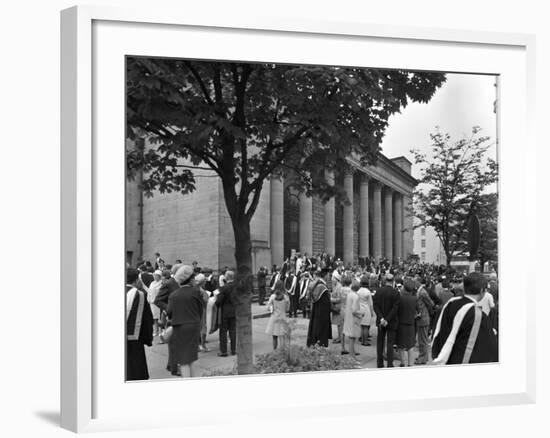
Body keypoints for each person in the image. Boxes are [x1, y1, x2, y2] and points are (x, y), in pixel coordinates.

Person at [432, 272, 498, 364]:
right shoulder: (479, 316)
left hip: (444, 358)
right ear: (482, 290)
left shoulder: (449, 304)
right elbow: (489, 349)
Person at [166, 265, 204, 378]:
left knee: (183, 359)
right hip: (194, 325)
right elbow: (200, 310)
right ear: (191, 279)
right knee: (191, 357)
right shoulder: (196, 292)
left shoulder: (173, 295)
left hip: (180, 327)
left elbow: (169, 312)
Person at [126, 268, 153, 380]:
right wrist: (148, 338)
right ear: (137, 280)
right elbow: (146, 319)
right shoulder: (139, 294)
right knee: (135, 371)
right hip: (134, 339)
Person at [373, 273, 400, 368]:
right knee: (390, 343)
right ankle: (389, 363)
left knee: (380, 342)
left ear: (385, 281)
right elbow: (395, 308)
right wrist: (387, 319)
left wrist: (381, 318)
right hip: (391, 321)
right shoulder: (396, 293)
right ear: (393, 281)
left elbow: (375, 306)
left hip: (381, 320)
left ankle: (379, 363)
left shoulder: (378, 291)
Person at [306, 269, 332, 347]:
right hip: (322, 313)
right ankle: (321, 345)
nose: (329, 277)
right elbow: (326, 302)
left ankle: (315, 343)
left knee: (316, 327)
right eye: (328, 275)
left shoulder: (317, 285)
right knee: (322, 330)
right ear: (325, 275)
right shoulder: (322, 287)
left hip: (316, 311)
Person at [396, 279, 418, 367]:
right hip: (411, 323)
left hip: (401, 323)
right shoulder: (414, 298)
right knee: (411, 345)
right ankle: (410, 363)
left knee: (401, 344)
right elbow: (417, 311)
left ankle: (402, 362)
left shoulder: (400, 297)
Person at [216, 270, 236, 357]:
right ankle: (233, 350)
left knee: (223, 332)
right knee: (233, 331)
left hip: (225, 312)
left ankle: (223, 351)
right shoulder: (237, 287)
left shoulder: (224, 288)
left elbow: (219, 301)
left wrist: (216, 301)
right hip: (234, 311)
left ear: (226, 277)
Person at [265, 280, 290, 350]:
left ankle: (275, 351)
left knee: (274, 336)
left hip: (274, 318)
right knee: (282, 337)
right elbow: (287, 309)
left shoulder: (273, 296)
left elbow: (268, 307)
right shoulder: (286, 297)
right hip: (283, 317)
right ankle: (282, 352)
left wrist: (271, 309)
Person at [415, 278, 435, 365]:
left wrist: (423, 309)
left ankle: (422, 358)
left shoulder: (422, 292)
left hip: (423, 317)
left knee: (422, 340)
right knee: (421, 339)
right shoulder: (420, 291)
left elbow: (431, 303)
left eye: (415, 281)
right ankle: (423, 356)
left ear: (419, 282)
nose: (414, 283)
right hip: (421, 317)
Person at [343, 278, 363, 358]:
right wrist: (361, 314)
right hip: (353, 319)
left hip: (348, 317)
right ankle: (352, 356)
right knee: (352, 338)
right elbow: (354, 310)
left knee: (351, 337)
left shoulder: (349, 294)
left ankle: (352, 353)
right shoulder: (356, 296)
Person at [194, 273, 211, 352]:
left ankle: (197, 345)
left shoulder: (194, 288)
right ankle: (203, 345)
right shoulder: (201, 291)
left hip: (194, 310)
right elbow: (206, 301)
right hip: (201, 310)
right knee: (203, 327)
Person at [357, 275, 375, 346]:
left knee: (361, 326)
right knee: (366, 326)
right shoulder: (368, 292)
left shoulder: (358, 291)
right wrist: (372, 312)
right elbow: (370, 303)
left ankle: (361, 339)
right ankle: (365, 341)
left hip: (360, 308)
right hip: (366, 308)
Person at [146, 270, 163, 337]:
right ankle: (156, 331)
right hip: (152, 303)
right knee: (154, 318)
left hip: (159, 303)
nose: (154, 277)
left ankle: (160, 331)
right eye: (154, 275)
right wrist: (149, 299)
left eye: (156, 275)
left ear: (159, 276)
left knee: (160, 317)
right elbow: (149, 292)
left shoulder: (162, 283)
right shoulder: (152, 283)